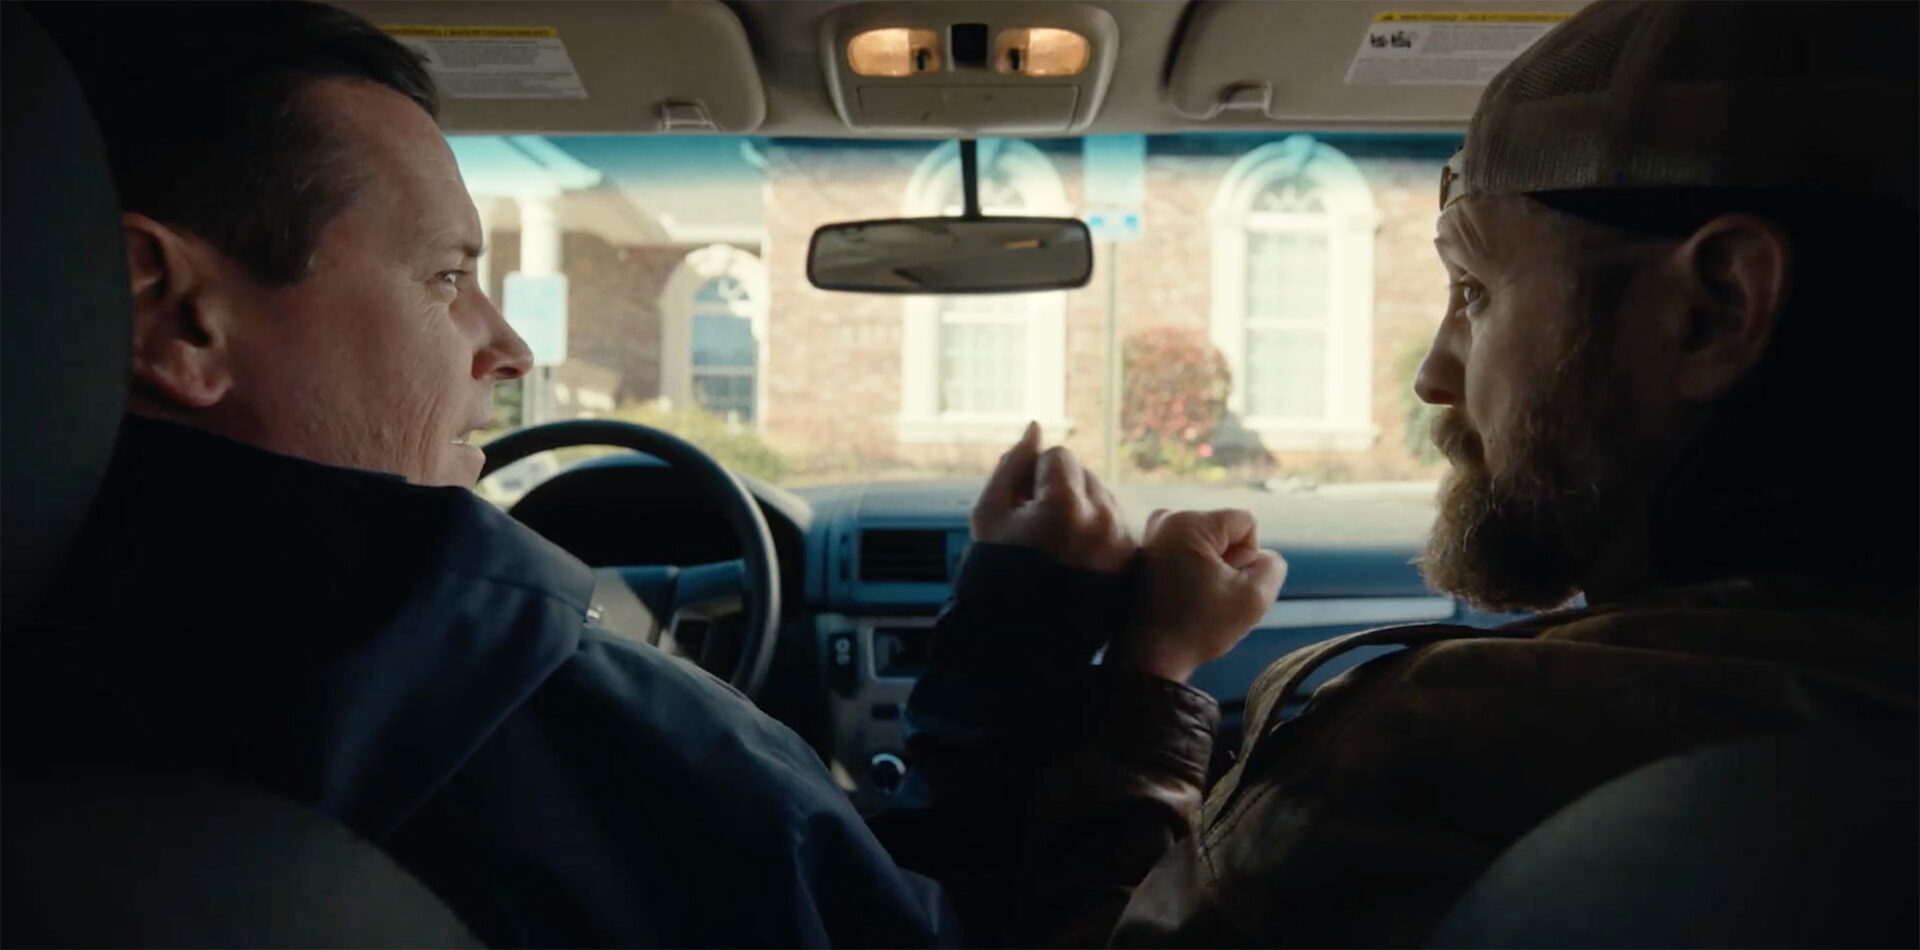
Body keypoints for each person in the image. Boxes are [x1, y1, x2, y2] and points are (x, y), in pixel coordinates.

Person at [1, 3, 1273, 945]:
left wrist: (1020, 626)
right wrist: (1155, 673)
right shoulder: (475, 681)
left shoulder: (80, 664)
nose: (509, 347)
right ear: (172, 313)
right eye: (447, 277)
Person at [937, 1, 1916, 945]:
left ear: (1713, 308)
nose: (1434, 373)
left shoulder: (1448, 750)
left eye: (1474, 289)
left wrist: (1137, 664)